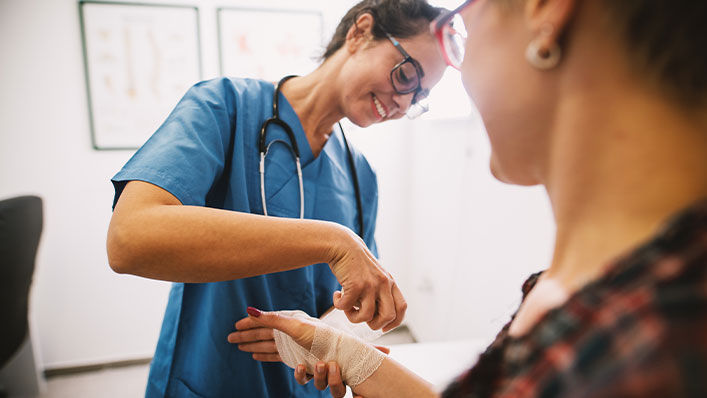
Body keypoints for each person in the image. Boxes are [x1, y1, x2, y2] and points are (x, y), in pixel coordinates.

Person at [230, 0, 707, 396]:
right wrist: (344, 353)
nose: (403, 104)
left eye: (462, 29)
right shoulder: (606, 298)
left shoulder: (646, 343)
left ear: (546, 11)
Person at [105, 0, 447, 396]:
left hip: (302, 386)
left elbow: (349, 304)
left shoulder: (360, 174)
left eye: (418, 97)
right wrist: (333, 241)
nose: (403, 104)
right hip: (209, 378)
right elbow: (129, 239)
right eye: (407, 75)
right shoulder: (224, 106)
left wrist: (333, 339)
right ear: (360, 32)